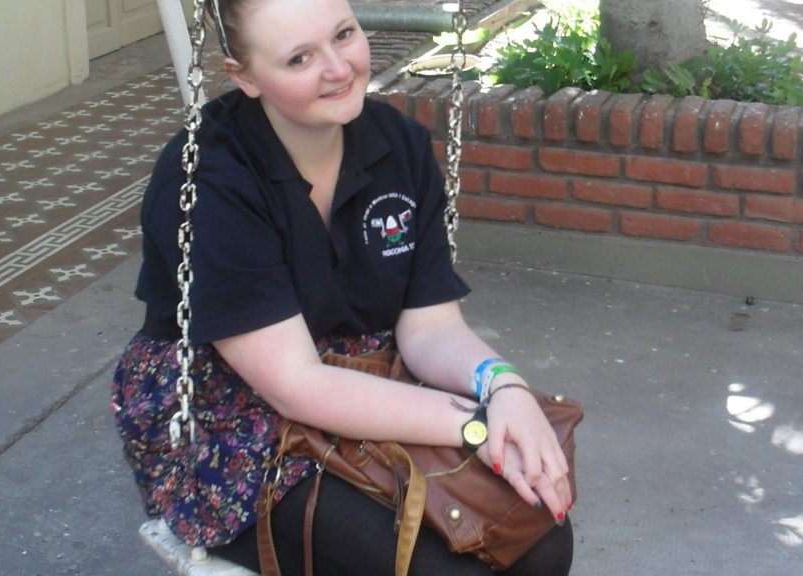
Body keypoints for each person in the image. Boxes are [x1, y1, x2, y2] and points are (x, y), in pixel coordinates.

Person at [112, 0, 574, 573]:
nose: (338, 68)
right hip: (231, 412)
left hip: (363, 372)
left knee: (540, 538)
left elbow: (431, 326)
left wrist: (503, 387)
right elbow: (296, 385)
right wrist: (477, 426)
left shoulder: (397, 144)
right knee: (443, 567)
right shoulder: (210, 176)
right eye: (300, 58)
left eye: (344, 34)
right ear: (245, 78)